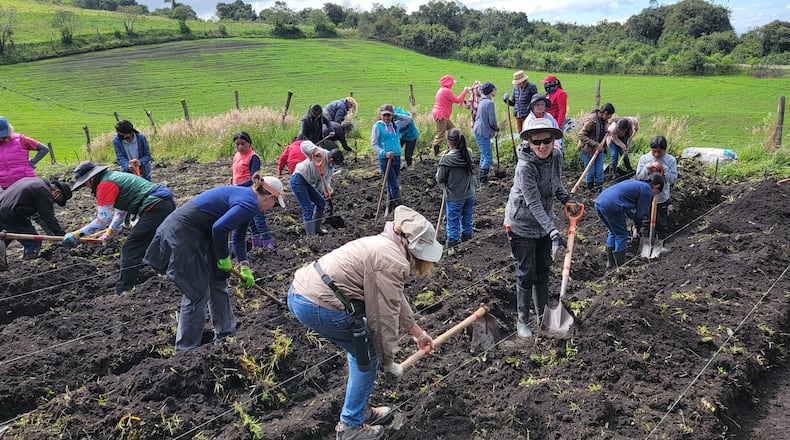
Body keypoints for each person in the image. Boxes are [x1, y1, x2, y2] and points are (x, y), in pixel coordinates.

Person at [287, 205, 441, 440]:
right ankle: (350, 426)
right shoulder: (392, 260)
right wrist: (388, 361)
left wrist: (417, 332)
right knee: (367, 355)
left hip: (302, 292)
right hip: (317, 303)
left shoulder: (387, 246)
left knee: (360, 351)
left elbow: (394, 298)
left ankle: (360, 410)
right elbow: (383, 320)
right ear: (417, 248)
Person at [145, 173, 285, 352]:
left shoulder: (249, 200)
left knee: (218, 280)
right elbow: (219, 228)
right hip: (184, 234)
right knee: (197, 292)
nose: (271, 208)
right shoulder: (249, 202)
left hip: (201, 234)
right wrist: (224, 257)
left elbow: (239, 236)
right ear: (271, 197)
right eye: (274, 204)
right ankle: (186, 351)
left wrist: (244, 265)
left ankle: (226, 334)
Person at [504, 118, 578, 339]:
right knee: (526, 273)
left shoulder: (556, 156)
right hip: (522, 224)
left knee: (544, 271)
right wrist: (553, 230)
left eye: (547, 140)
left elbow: (556, 184)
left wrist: (567, 199)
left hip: (544, 225)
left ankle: (543, 316)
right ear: (530, 143)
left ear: (553, 140)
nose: (542, 146)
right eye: (537, 143)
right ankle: (522, 321)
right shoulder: (525, 167)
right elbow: (533, 202)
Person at [64, 161, 175, 294]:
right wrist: (109, 233)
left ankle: (123, 290)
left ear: (91, 178)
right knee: (152, 243)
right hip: (164, 204)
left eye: (85, 184)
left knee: (130, 249)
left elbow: (103, 219)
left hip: (155, 207)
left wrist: (77, 234)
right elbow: (121, 211)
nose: (86, 187)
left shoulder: (105, 185)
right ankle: (169, 273)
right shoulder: (113, 177)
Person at [594, 174, 665, 268]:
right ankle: (620, 266)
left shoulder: (635, 183)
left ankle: (611, 264)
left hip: (599, 202)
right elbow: (640, 213)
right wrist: (637, 226)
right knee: (622, 235)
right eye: (657, 193)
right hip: (612, 205)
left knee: (613, 232)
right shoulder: (647, 191)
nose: (654, 195)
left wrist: (633, 222)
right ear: (657, 186)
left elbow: (627, 206)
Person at [0, 177, 72, 267]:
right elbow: (48, 217)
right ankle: (29, 267)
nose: (53, 202)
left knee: (4, 237)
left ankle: (2, 265)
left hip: (3, 208)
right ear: (57, 192)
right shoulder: (43, 191)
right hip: (12, 214)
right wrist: (62, 235)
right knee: (33, 242)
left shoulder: (35, 181)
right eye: (57, 201)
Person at [231, 131, 274, 249]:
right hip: (239, 191)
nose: (240, 147)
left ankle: (268, 245)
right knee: (250, 221)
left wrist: (238, 186)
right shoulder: (237, 155)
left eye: (243, 144)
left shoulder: (253, 157)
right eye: (237, 144)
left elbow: (254, 178)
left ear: (249, 143)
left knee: (258, 219)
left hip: (252, 192)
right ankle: (257, 246)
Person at [436, 128, 476, 249]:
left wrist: (445, 156)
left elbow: (439, 178)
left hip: (455, 196)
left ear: (449, 142)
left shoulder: (446, 160)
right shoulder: (468, 152)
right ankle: (467, 239)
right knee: (467, 217)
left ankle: (452, 245)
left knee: (453, 221)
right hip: (470, 193)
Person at [635, 135, 678, 239]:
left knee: (661, 224)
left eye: (659, 152)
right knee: (645, 223)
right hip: (646, 197)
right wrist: (647, 168)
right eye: (654, 151)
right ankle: (645, 245)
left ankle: (660, 243)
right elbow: (638, 177)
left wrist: (664, 169)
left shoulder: (671, 160)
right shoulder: (644, 159)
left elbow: (673, 180)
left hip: (662, 198)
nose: (656, 154)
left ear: (664, 150)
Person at [290, 140, 333, 236]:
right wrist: (315, 150)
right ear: (330, 157)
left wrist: (327, 190)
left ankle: (317, 228)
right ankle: (311, 237)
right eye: (332, 161)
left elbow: (325, 181)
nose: (331, 163)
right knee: (307, 209)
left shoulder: (330, 167)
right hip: (298, 180)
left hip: (308, 183)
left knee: (321, 202)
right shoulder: (321, 154)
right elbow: (303, 145)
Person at [0, 116, 50, 191]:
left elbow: (44, 149)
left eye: (3, 135)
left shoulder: (21, 140)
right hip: (6, 187)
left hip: (27, 184)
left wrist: (32, 162)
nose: (1, 138)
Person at [577, 103, 616, 193]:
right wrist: (595, 144)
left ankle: (599, 190)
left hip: (599, 149)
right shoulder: (591, 121)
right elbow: (581, 135)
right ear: (605, 113)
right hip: (587, 149)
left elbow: (605, 126)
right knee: (590, 170)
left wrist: (607, 130)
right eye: (609, 115)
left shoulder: (603, 120)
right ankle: (591, 191)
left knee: (599, 171)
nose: (610, 118)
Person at [371, 104, 403, 213]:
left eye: (388, 115)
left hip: (397, 157)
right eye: (384, 115)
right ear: (381, 115)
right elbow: (374, 144)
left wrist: (396, 116)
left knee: (391, 183)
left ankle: (389, 207)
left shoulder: (395, 125)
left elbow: (408, 119)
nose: (386, 117)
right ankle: (401, 208)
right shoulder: (377, 127)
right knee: (394, 184)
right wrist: (384, 153)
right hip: (385, 160)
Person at [430, 75, 469, 156]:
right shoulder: (446, 91)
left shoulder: (442, 90)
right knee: (440, 133)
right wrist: (465, 91)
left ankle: (450, 148)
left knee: (452, 130)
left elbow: (454, 99)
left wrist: (463, 98)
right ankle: (435, 153)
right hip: (441, 115)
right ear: (449, 83)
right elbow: (457, 100)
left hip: (442, 114)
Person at [472, 82, 499, 187]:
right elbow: (492, 121)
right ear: (491, 91)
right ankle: (483, 182)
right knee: (488, 156)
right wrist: (496, 128)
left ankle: (481, 178)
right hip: (483, 132)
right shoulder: (489, 103)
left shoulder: (482, 101)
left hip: (478, 130)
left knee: (484, 154)